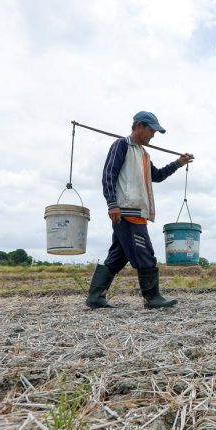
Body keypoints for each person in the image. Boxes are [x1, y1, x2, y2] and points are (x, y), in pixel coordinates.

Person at [86, 111, 194, 309]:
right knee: (145, 252)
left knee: (117, 257)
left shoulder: (143, 154)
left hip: (138, 212)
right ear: (139, 126)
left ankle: (95, 296)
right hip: (127, 211)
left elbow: (158, 176)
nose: (153, 135)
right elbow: (109, 174)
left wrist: (178, 163)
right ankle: (152, 298)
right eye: (151, 130)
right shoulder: (122, 145)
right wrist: (112, 204)